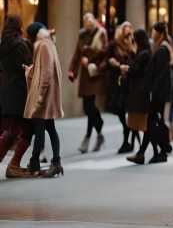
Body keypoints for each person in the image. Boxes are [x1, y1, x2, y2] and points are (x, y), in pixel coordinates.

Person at [128, 22, 173, 164]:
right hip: (159, 92)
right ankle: (150, 152)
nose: (152, 34)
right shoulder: (161, 48)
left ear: (159, 33)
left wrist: (153, 93)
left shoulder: (161, 50)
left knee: (152, 123)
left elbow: (160, 75)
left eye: (153, 32)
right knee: (153, 123)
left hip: (158, 93)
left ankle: (161, 150)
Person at [23, 23, 64, 177]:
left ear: (34, 35)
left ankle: (35, 163)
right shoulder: (47, 44)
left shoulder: (44, 46)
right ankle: (56, 163)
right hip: (48, 96)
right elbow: (40, 68)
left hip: (45, 97)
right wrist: (28, 70)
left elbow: (46, 73)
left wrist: (39, 97)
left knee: (40, 129)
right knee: (49, 128)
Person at [68, 13, 108, 153]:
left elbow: (105, 53)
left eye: (90, 25)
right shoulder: (81, 35)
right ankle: (99, 127)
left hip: (95, 72)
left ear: (94, 24)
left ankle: (88, 137)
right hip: (85, 74)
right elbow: (77, 54)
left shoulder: (101, 34)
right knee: (87, 107)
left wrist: (91, 61)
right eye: (85, 25)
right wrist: (72, 70)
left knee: (89, 105)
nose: (88, 28)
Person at [0, 14, 34, 178]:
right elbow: (27, 67)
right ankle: (14, 165)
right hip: (19, 93)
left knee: (13, 129)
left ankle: (14, 165)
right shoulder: (19, 45)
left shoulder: (3, 46)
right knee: (18, 130)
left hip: (6, 92)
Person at [104, 21, 137, 154]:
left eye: (130, 29)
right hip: (116, 80)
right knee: (117, 108)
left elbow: (136, 58)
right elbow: (108, 58)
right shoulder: (114, 43)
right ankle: (127, 133)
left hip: (128, 81)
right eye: (126, 29)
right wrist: (118, 66)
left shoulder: (133, 44)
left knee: (125, 109)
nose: (128, 32)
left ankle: (127, 140)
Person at [123, 29, 153, 159]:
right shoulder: (145, 52)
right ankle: (142, 151)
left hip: (140, 92)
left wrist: (127, 68)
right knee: (146, 124)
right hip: (141, 92)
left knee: (146, 124)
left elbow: (134, 70)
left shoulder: (144, 54)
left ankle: (143, 152)